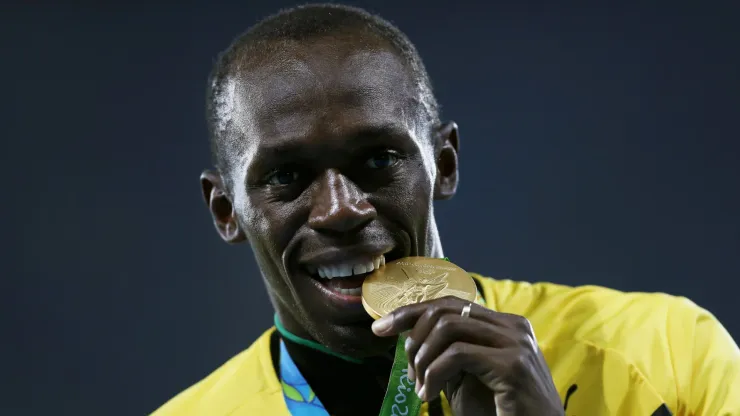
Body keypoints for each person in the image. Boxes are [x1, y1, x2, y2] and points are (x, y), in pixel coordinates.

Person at [152, 4, 739, 416]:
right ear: (227, 210)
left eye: (378, 159)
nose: (340, 209)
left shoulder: (665, 351)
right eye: (286, 176)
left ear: (445, 165)